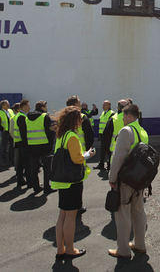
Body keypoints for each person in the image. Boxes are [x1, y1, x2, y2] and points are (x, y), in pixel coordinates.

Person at [51, 106, 94, 260]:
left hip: (62, 182)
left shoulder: (61, 135)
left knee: (62, 215)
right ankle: (70, 249)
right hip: (72, 181)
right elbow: (77, 158)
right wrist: (88, 155)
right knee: (70, 216)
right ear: (75, 121)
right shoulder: (72, 137)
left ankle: (61, 249)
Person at [108, 104, 148, 259]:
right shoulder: (142, 131)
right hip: (138, 179)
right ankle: (140, 244)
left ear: (130, 116)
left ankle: (123, 250)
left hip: (125, 179)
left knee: (122, 213)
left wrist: (112, 178)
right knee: (138, 211)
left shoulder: (126, 131)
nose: (122, 118)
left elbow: (118, 157)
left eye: (124, 116)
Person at [18, 100, 53, 193]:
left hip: (32, 146)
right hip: (44, 145)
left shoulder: (27, 117)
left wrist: (27, 144)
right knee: (46, 168)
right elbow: (49, 133)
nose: (47, 108)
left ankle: (36, 187)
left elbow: (24, 133)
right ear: (42, 107)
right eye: (45, 106)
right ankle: (47, 187)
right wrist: (51, 145)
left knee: (34, 168)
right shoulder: (44, 117)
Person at [103, 99, 128, 171]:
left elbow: (106, 136)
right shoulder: (133, 118)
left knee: (115, 171)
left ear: (118, 108)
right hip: (130, 149)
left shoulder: (113, 118)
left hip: (115, 148)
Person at [12, 101, 29, 187]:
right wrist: (27, 143)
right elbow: (23, 132)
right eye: (28, 105)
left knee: (21, 161)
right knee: (23, 162)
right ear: (24, 106)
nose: (29, 107)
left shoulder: (20, 116)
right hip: (22, 143)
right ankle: (21, 179)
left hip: (19, 142)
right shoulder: (22, 117)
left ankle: (21, 179)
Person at [96, 100, 114, 170]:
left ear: (109, 106)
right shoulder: (103, 113)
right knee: (102, 150)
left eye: (105, 105)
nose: (103, 106)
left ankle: (109, 164)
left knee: (108, 150)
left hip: (108, 135)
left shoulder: (111, 113)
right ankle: (101, 164)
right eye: (103, 105)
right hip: (103, 135)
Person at [0, 100, 14, 166]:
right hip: (5, 131)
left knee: (12, 146)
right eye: (6, 104)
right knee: (4, 146)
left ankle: (11, 159)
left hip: (11, 131)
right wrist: (2, 129)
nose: (8, 105)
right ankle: (4, 160)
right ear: (2, 105)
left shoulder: (10, 111)